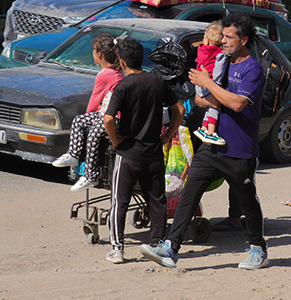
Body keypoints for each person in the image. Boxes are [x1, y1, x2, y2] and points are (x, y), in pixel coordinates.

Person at [141, 14, 269, 270]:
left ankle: (258, 248)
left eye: (229, 37)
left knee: (248, 202)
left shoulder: (252, 69)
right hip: (211, 145)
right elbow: (201, 100)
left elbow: (237, 103)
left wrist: (210, 87)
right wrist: (211, 91)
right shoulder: (221, 62)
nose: (223, 41)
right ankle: (170, 248)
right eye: (222, 36)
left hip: (240, 149)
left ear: (243, 40)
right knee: (189, 193)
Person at [103, 38, 184, 264]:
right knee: (156, 200)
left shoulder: (123, 86)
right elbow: (179, 109)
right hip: (154, 153)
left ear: (121, 61)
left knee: (120, 201)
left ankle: (117, 249)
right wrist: (168, 134)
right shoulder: (158, 81)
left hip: (128, 154)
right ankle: (157, 244)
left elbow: (108, 118)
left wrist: (116, 140)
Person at [52, 35, 125, 191]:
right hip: (105, 113)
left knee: (92, 134)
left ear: (99, 55)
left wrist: (90, 114)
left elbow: (95, 98)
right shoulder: (114, 71)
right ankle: (73, 154)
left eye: (93, 50)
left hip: (113, 117)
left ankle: (90, 175)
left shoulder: (105, 74)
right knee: (79, 120)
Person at [193, 21, 228, 146]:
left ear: (206, 40)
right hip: (208, 83)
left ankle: (203, 128)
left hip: (198, 85)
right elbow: (218, 71)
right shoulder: (220, 55)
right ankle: (211, 132)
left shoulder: (202, 51)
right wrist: (215, 85)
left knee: (209, 107)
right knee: (214, 106)